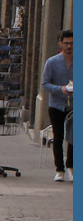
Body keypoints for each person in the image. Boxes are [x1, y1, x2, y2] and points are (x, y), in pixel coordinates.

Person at [42, 30, 74, 181]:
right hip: (57, 104)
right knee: (58, 136)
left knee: (74, 136)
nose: (69, 46)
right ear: (60, 43)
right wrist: (60, 89)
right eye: (66, 43)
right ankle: (59, 169)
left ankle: (71, 166)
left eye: (72, 43)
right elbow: (45, 83)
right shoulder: (52, 62)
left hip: (74, 104)